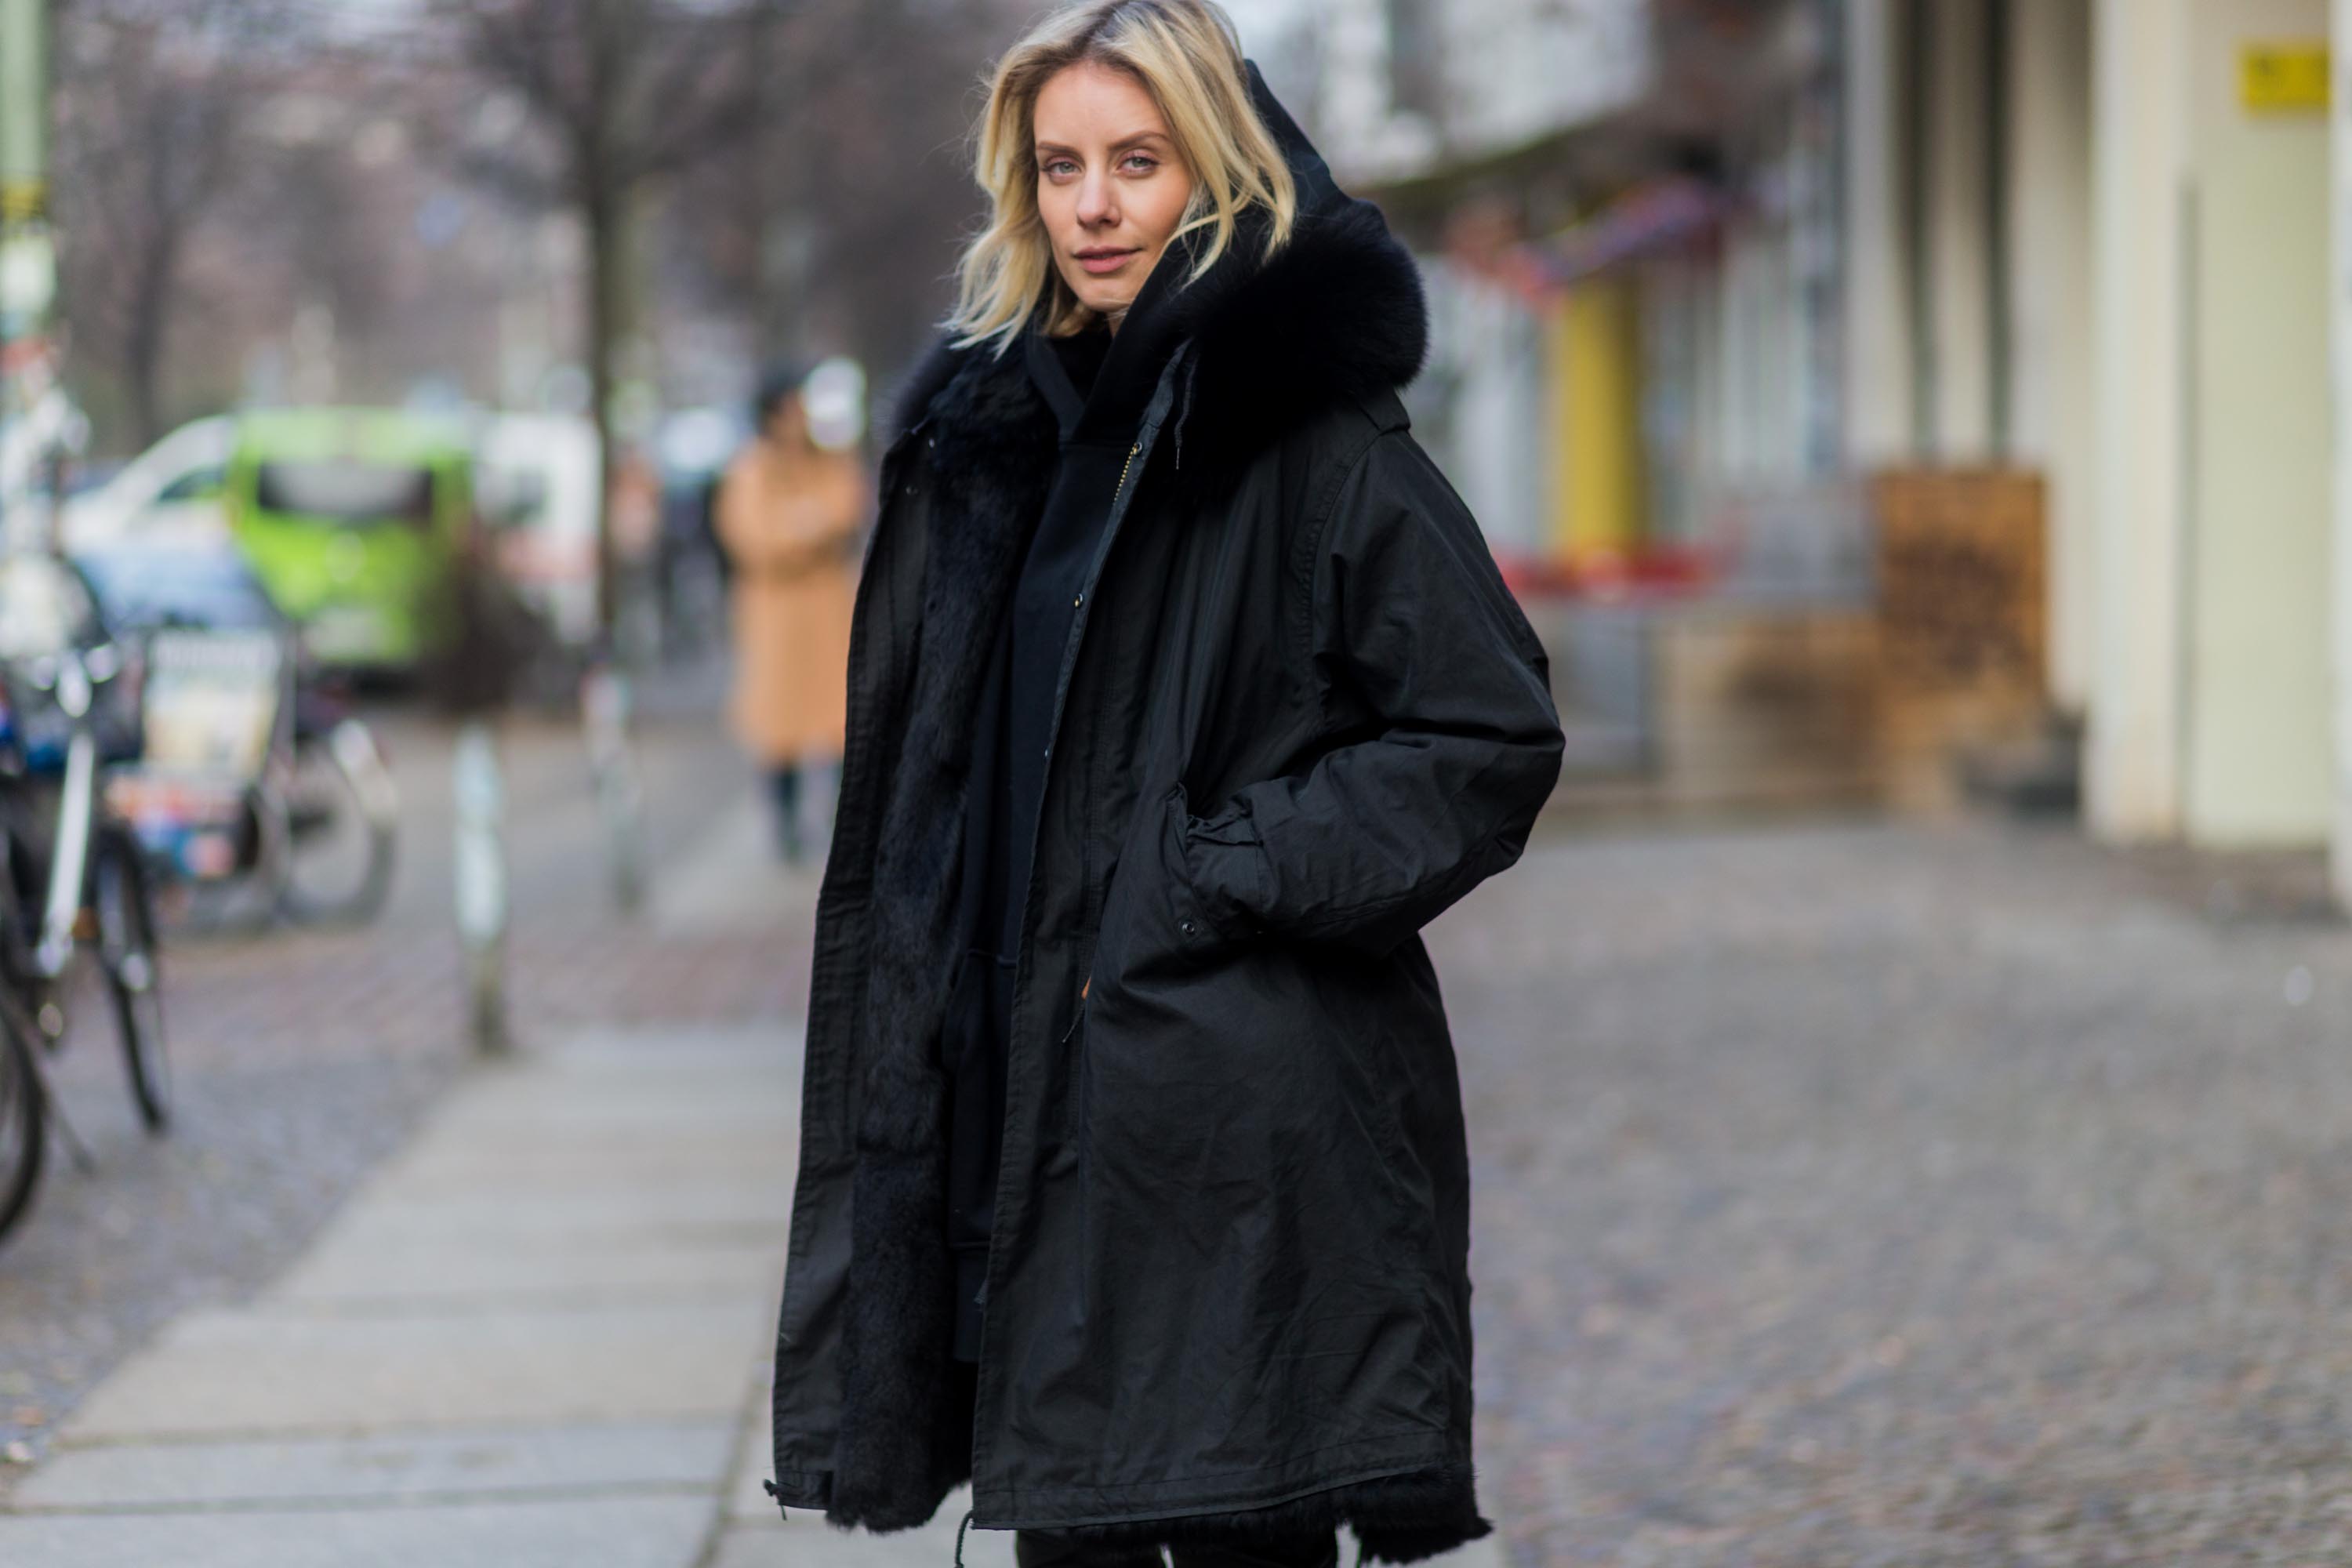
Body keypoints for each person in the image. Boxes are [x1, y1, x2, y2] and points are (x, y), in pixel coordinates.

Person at [766, 3, 1565, 1564]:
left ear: (1217, 165)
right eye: (1059, 166)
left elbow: (1486, 735)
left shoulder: (1310, 438)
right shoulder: (990, 440)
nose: (1093, 205)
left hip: (1230, 1142)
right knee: (1067, 1525)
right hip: (1018, 1116)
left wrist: (1220, 868)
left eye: (1138, 161)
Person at [715, 366, 863, 861]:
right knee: (780, 730)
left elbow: (844, 510)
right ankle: (786, 826)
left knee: (841, 722)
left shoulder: (828, 462)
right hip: (775, 620)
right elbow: (754, 537)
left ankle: (844, 826)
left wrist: (799, 526)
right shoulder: (750, 471)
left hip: (826, 615)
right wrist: (806, 527)